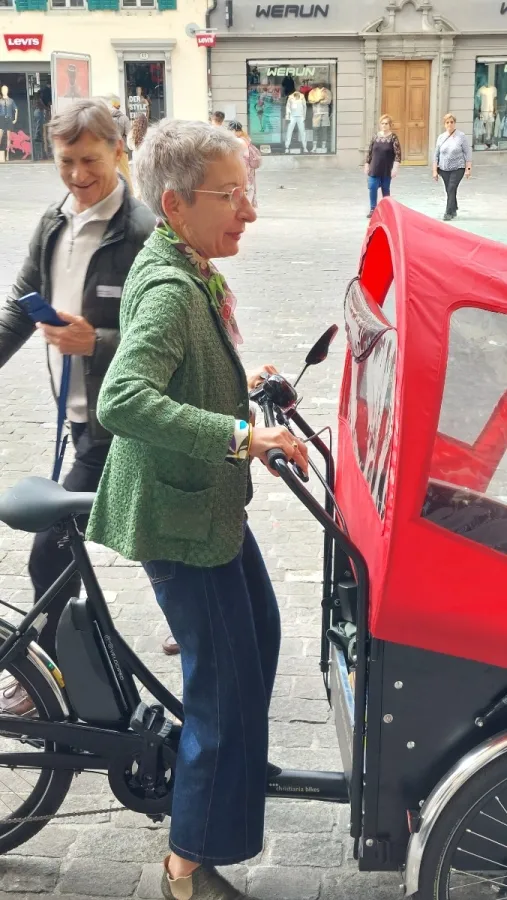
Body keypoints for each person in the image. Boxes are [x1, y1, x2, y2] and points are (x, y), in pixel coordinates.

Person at [86, 119, 308, 900]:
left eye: (248, 191)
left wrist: (246, 396)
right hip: (180, 520)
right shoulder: (171, 289)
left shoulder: (187, 264)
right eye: (231, 195)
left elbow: (190, 374)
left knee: (260, 639)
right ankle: (184, 865)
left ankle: (228, 767)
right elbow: (123, 399)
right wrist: (242, 436)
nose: (249, 210)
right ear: (176, 206)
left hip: (207, 506)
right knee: (222, 686)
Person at [0, 99, 157, 715]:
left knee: (50, 550)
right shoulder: (54, 222)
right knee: (152, 537)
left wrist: (98, 342)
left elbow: (167, 336)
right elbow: (21, 304)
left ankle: (47, 680)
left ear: (118, 152)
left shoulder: (143, 232)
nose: (77, 175)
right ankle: (196, 622)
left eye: (90, 160)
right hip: (80, 415)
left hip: (125, 422)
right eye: (66, 161)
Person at [433, 113, 472, 221]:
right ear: (444, 124)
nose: (450, 124)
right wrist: (434, 170)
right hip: (444, 168)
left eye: (452, 122)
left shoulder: (461, 136)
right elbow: (436, 155)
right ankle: (454, 208)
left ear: (455, 123)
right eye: (447, 122)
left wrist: (468, 169)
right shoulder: (441, 137)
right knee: (449, 190)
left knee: (451, 187)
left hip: (458, 167)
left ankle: (448, 212)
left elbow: (467, 153)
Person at [364, 114, 402, 219]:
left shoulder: (393, 137)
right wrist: (367, 164)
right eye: (382, 123)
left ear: (390, 125)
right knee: (372, 187)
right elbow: (370, 151)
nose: (384, 125)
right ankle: (373, 209)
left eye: (386, 123)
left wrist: (395, 168)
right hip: (374, 168)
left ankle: (387, 210)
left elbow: (398, 155)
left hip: (386, 169)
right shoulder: (375, 136)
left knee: (385, 189)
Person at [228, 120, 261, 208]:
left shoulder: (238, 141)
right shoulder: (246, 138)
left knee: (243, 189)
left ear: (235, 131)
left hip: (243, 168)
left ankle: (244, 208)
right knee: (249, 189)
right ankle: (247, 207)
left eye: (231, 131)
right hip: (249, 168)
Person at [109, 96, 133, 194]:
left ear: (112, 105)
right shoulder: (124, 118)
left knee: (110, 173)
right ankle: (130, 194)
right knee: (125, 174)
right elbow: (129, 133)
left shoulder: (106, 118)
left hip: (109, 150)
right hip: (122, 149)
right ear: (119, 106)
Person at [127, 112, 148, 199]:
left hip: (136, 155)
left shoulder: (132, 133)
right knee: (145, 176)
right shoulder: (148, 132)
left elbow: (129, 145)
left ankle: (138, 195)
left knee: (137, 177)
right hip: (145, 155)